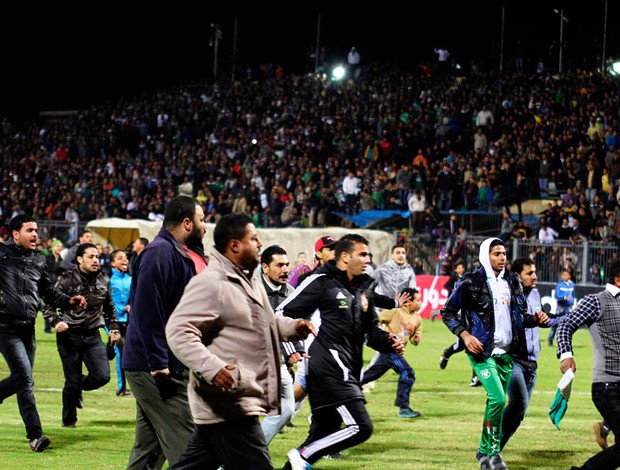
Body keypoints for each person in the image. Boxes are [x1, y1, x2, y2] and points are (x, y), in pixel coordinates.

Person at [165, 213, 315, 469]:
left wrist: (293, 327)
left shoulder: (250, 279)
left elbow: (265, 322)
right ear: (235, 245)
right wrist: (212, 368)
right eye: (254, 238)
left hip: (235, 399)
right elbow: (179, 331)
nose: (260, 243)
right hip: (229, 402)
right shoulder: (212, 283)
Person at [278, 234, 405, 468]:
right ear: (345, 257)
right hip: (327, 368)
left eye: (369, 254)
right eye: (362, 254)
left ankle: (297, 460)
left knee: (321, 435)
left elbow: (369, 332)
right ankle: (302, 455)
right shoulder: (321, 280)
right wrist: (290, 350)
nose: (368, 259)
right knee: (361, 427)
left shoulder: (363, 289)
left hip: (348, 368)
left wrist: (390, 341)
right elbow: (282, 313)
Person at [441, 238, 547, 470]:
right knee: (498, 399)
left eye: (504, 254)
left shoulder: (512, 281)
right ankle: (493, 453)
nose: (502, 258)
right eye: (496, 253)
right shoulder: (470, 281)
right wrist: (466, 336)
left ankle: (485, 453)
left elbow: (519, 318)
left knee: (495, 404)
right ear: (484, 256)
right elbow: (447, 312)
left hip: (506, 355)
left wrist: (535, 319)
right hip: (483, 352)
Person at [122, 195, 207, 469]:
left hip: (163, 363)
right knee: (191, 451)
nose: (204, 227)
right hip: (156, 368)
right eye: (201, 220)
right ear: (186, 223)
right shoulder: (160, 253)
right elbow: (148, 311)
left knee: (148, 452)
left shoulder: (177, 253)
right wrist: (158, 362)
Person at [0, 214, 86, 452]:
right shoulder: (2, 255)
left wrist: (69, 301)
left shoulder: (40, 259)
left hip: (28, 329)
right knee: (25, 380)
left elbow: (48, 292)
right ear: (15, 234)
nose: (36, 234)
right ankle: (35, 436)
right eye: (30, 230)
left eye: (36, 230)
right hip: (6, 328)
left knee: (22, 379)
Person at [43, 243, 120, 428]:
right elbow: (48, 305)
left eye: (97, 257)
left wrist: (114, 328)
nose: (96, 260)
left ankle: (78, 388)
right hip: (70, 336)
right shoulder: (66, 279)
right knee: (72, 381)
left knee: (102, 377)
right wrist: (56, 322)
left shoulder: (104, 279)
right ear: (79, 259)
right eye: (91, 257)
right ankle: (69, 421)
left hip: (93, 336)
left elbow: (109, 307)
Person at [557, 259, 620, 470]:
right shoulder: (596, 301)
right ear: (618, 279)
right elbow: (566, 324)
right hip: (608, 387)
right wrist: (566, 355)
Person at [501, 257, 559, 449]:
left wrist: (566, 319)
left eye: (534, 272)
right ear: (518, 275)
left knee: (519, 414)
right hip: (513, 360)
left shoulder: (534, 294)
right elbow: (518, 321)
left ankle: (493, 450)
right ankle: (488, 446)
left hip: (532, 365)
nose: (534, 276)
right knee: (518, 404)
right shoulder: (507, 296)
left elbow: (542, 320)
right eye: (529, 273)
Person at [360, 287, 423, 418]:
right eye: (418, 300)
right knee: (407, 373)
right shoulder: (395, 312)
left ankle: (348, 386)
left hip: (396, 352)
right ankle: (403, 408)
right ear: (409, 302)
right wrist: (380, 333)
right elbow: (376, 319)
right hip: (389, 349)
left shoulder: (417, 319)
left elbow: (415, 340)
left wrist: (416, 339)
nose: (421, 303)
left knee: (370, 375)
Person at [259, 245, 299, 444]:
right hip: (251, 361)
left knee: (286, 410)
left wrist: (296, 351)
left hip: (279, 362)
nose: (285, 270)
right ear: (265, 268)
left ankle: (246, 456)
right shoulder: (251, 290)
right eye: (279, 265)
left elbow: (293, 325)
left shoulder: (291, 292)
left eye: (287, 265)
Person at [109, 249, 132, 396]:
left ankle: (107, 350)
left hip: (128, 321)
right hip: (113, 322)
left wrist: (131, 305)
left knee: (126, 351)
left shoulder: (131, 279)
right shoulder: (108, 281)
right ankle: (121, 388)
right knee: (121, 352)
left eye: (125, 258)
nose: (124, 260)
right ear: (112, 263)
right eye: (120, 258)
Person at [549, 268, 575, 346]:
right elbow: (556, 295)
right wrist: (564, 297)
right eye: (563, 275)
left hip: (568, 307)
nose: (564, 276)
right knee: (555, 324)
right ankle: (550, 339)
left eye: (566, 274)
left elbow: (574, 295)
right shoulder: (560, 285)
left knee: (569, 325)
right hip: (560, 307)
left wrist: (575, 303)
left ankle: (567, 342)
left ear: (569, 276)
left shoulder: (572, 285)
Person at [44, 238, 64, 333]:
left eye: (61, 246)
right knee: (49, 306)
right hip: (48, 286)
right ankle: (48, 329)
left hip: (58, 286)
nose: (59, 248)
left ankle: (58, 325)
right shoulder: (46, 259)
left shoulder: (62, 260)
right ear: (52, 247)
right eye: (57, 246)